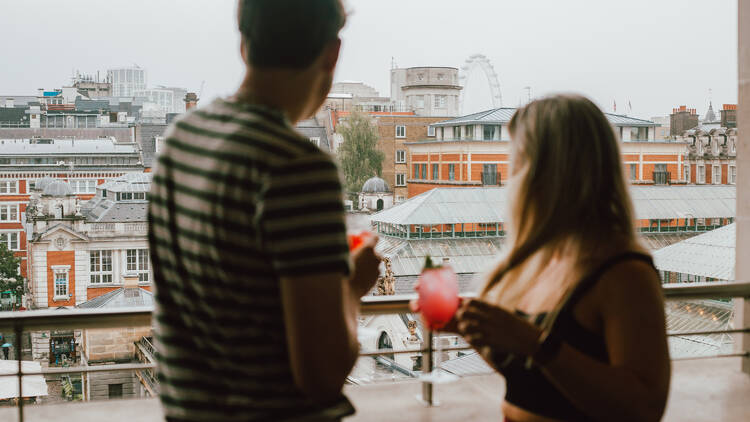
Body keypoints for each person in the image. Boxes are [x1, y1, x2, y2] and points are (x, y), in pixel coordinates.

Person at [148, 1, 381, 420]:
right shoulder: (296, 167)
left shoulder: (182, 139)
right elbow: (322, 376)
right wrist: (351, 286)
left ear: (244, 45)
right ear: (332, 54)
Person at [456, 95, 671, 422]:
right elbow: (535, 379)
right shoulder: (541, 258)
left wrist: (535, 343)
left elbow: (644, 407)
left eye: (519, 162)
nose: (509, 180)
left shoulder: (625, 275)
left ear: (549, 172)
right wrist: (473, 329)